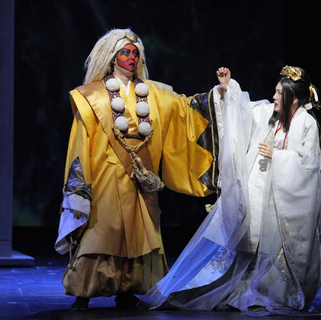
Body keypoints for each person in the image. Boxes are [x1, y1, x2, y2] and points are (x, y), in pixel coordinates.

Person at [138, 66, 321, 316]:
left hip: (284, 198)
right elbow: (244, 110)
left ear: (294, 98)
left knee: (275, 247)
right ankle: (240, 286)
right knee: (248, 245)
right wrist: (230, 89)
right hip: (259, 192)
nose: (273, 97)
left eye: (279, 93)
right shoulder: (270, 114)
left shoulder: (305, 122)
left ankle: (274, 291)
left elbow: (309, 162)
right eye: (275, 91)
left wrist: (279, 156)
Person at [54, 28, 219, 310]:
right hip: (106, 172)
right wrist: (81, 184)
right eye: (125, 53)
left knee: (139, 231)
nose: (131, 58)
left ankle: (128, 287)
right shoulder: (92, 96)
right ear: (112, 58)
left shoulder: (152, 92)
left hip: (142, 176)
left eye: (135, 54)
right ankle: (85, 290)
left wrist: (219, 97)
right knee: (103, 229)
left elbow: (184, 109)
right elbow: (81, 141)